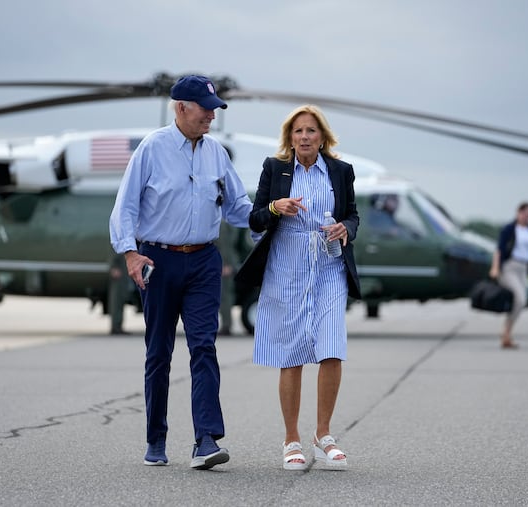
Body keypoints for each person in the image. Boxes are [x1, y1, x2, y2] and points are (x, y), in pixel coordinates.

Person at [109, 75, 253, 469]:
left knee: (204, 346)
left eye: (214, 109)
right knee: (159, 353)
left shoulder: (216, 153)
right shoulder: (152, 149)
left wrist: (273, 214)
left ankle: (205, 440)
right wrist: (130, 253)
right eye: (205, 108)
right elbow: (125, 206)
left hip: (204, 260)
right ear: (181, 108)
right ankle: (156, 438)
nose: (211, 115)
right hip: (158, 260)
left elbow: (238, 208)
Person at [236, 104, 361, 470]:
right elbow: (255, 219)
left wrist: (345, 229)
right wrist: (276, 207)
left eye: (311, 131)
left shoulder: (341, 171)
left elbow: (352, 214)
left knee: (331, 346)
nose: (304, 137)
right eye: (298, 131)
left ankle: (323, 435)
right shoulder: (275, 169)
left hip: (328, 265)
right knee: (291, 352)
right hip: (287, 266)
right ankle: (292, 439)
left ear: (322, 137)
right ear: (289, 138)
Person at [489, 201, 528, 349]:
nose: (527, 217)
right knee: (520, 298)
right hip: (510, 267)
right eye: (525, 214)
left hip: (523, 268)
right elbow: (499, 249)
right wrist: (495, 268)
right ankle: (506, 333)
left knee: (522, 300)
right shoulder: (509, 229)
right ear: (518, 213)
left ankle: (506, 334)